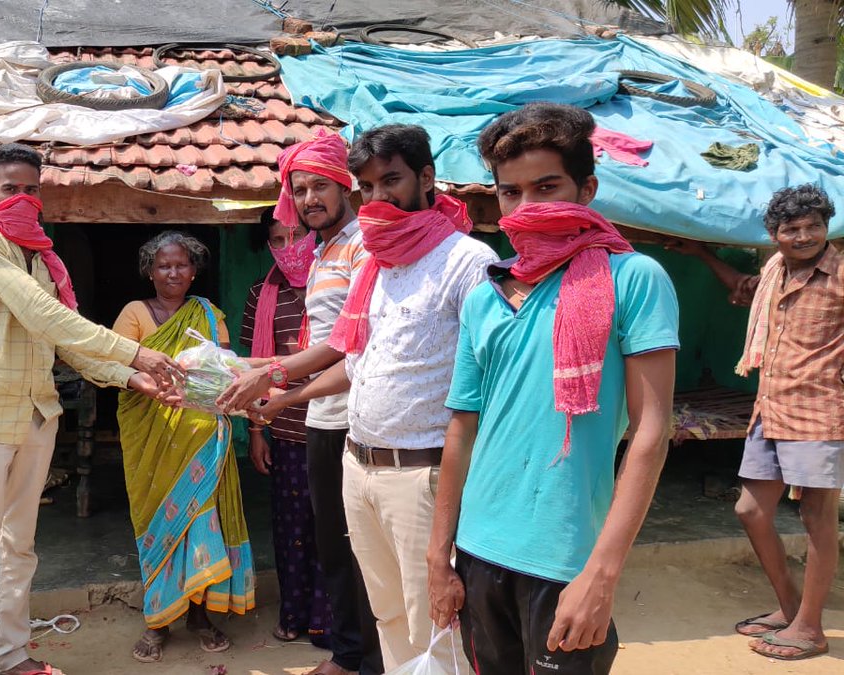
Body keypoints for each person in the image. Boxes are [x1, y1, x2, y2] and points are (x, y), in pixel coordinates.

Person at [427, 102, 679, 675]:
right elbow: (463, 428)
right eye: (511, 192)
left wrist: (601, 574)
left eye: (546, 187)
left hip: (565, 558)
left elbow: (651, 432)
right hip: (478, 550)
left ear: (587, 188)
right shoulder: (484, 297)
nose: (527, 206)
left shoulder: (632, 279)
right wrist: (437, 555)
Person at [255, 124, 496, 670]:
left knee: (437, 626)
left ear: (426, 178)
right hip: (359, 464)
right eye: (367, 187)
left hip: (421, 473)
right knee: (387, 616)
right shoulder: (383, 265)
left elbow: (486, 385)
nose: (378, 197)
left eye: (391, 181)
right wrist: (277, 387)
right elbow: (355, 365)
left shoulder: (467, 261)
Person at [0, 143, 177, 675]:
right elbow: (40, 312)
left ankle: (14, 657)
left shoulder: (44, 258)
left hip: (38, 414)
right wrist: (134, 350)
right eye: (10, 189)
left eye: (31, 189)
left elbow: (64, 344)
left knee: (20, 547)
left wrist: (132, 378)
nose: (22, 198)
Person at [218, 131, 383, 675]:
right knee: (333, 544)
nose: (310, 198)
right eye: (300, 188)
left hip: (359, 418)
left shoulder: (363, 246)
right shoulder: (319, 253)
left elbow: (349, 345)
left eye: (320, 186)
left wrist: (272, 379)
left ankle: (366, 657)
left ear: (346, 185)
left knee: (360, 548)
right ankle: (350, 654)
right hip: (322, 416)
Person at [669, 185, 841, 661]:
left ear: (827, 227)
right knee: (750, 510)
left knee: (815, 518)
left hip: (820, 411)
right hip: (771, 407)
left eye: (814, 226)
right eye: (792, 228)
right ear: (774, 234)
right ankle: (790, 608)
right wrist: (701, 253)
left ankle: (810, 628)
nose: (804, 235)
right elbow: (740, 290)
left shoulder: (841, 274)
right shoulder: (773, 270)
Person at [114, 231, 254, 663]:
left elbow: (227, 369)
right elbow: (114, 364)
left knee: (201, 525)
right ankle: (157, 621)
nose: (172, 272)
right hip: (151, 438)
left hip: (205, 440)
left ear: (194, 271)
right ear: (149, 271)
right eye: (163, 265)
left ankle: (200, 616)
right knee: (160, 523)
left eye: (181, 265)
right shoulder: (135, 313)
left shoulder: (209, 314)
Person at [239, 208, 331, 647]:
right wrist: (256, 432)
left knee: (332, 528)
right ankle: (293, 614)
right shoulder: (262, 295)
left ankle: (326, 620)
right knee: (292, 530)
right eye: (277, 240)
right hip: (287, 430)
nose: (288, 247)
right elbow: (248, 367)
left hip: (339, 426)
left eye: (296, 236)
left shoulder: (336, 284)